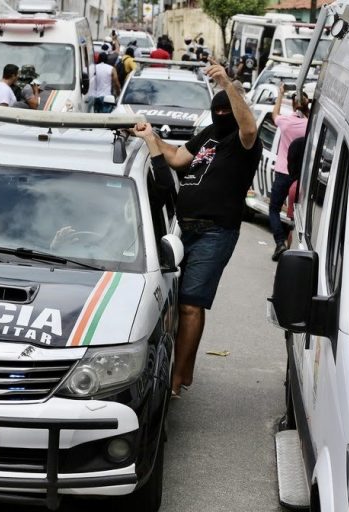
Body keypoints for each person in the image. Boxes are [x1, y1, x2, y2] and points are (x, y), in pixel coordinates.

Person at [130, 58, 262, 397]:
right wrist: (150, 137)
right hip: (182, 229)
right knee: (174, 303)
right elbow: (176, 158)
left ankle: (178, 378)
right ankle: (176, 366)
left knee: (191, 304)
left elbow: (248, 127)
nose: (221, 116)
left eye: (226, 111)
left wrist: (227, 84)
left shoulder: (245, 143)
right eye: (216, 111)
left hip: (215, 232)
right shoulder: (209, 135)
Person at [269, 85, 309, 260]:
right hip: (300, 176)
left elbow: (274, 114)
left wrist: (280, 94)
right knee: (294, 213)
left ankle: (280, 242)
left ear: (293, 106)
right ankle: (290, 250)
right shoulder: (310, 125)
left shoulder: (285, 122)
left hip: (283, 173)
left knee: (274, 209)